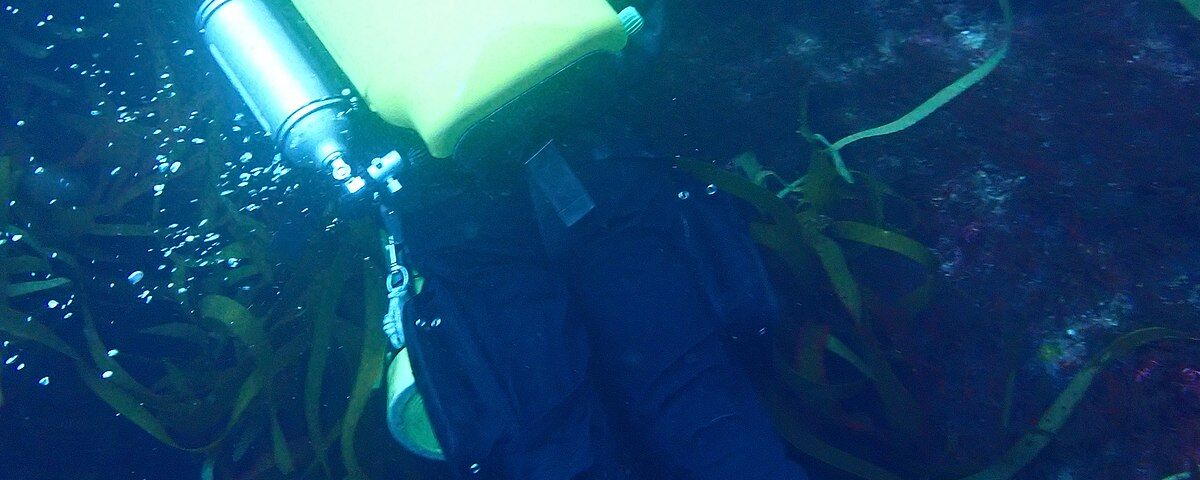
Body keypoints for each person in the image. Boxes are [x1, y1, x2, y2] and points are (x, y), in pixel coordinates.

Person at [382, 4, 813, 478]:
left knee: (554, 442)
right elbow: (633, 31)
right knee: (695, 404)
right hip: (587, 152)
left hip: (456, 205)